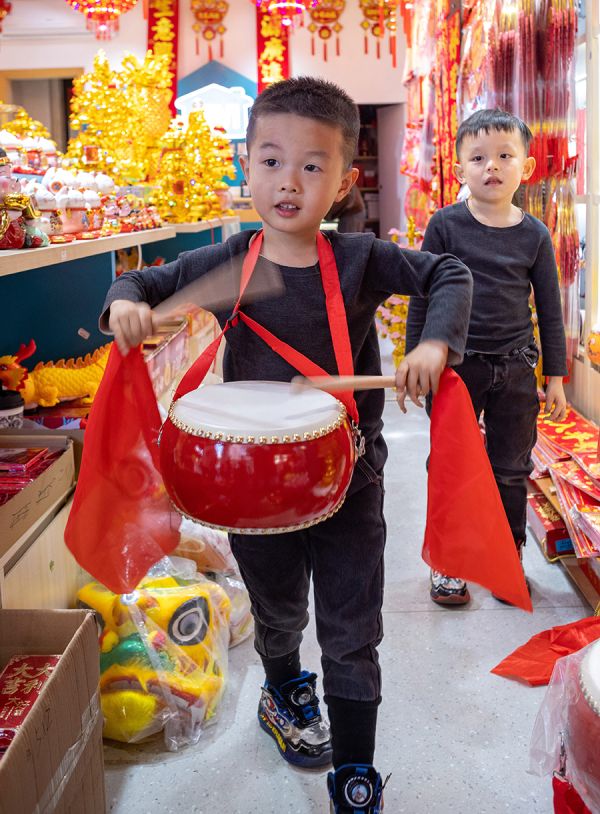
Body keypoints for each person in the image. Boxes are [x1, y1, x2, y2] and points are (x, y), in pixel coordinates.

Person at [101, 77, 472, 813]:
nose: (288, 181)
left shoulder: (361, 259)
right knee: (278, 613)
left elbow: (448, 272)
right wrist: (125, 306)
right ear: (247, 165)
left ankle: (356, 770)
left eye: (311, 165)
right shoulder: (228, 261)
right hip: (252, 491)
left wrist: (433, 343)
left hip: (350, 481)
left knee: (351, 626)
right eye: (270, 161)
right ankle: (282, 690)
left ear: (344, 183)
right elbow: (139, 281)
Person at [406, 108, 568, 608]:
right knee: (451, 466)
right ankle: (448, 563)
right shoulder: (445, 225)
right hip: (456, 370)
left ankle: (506, 558)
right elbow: (423, 295)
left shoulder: (536, 235)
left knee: (510, 469)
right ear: (460, 170)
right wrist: (417, 358)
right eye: (477, 158)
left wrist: (555, 376)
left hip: (516, 368)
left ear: (527, 167)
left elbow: (550, 308)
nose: (491, 166)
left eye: (504, 156)